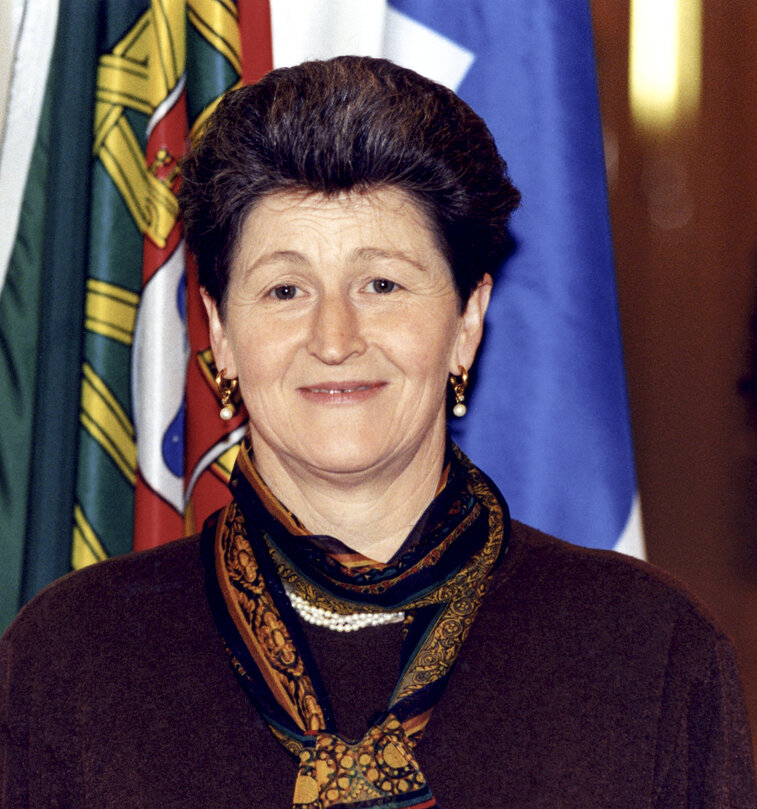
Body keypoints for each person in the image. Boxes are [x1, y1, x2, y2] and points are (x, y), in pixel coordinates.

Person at [1, 56, 755, 809]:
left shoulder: (646, 649)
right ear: (221, 331)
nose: (334, 337)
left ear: (466, 320)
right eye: (285, 289)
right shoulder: (72, 657)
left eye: (382, 284)